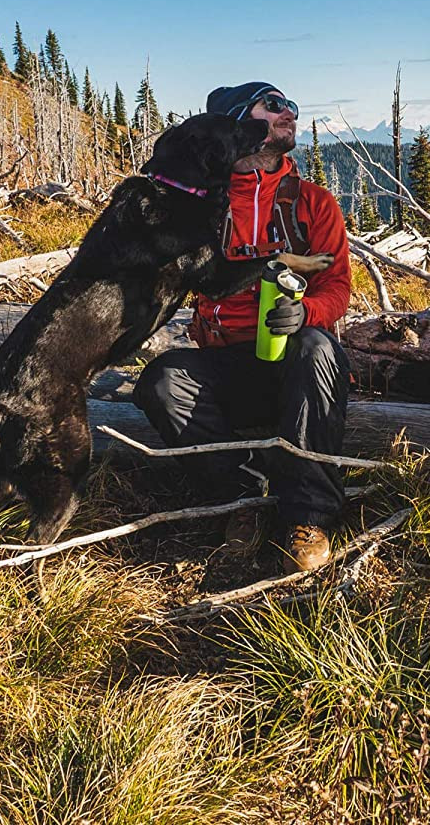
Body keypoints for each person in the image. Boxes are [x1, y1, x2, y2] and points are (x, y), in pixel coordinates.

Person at [133, 82, 352, 574]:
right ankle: (241, 499)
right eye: (273, 105)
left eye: (292, 106)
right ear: (239, 121)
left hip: (298, 363)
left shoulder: (313, 203)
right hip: (227, 363)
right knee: (161, 382)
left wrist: (308, 314)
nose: (288, 113)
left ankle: (309, 516)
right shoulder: (203, 204)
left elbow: (337, 287)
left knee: (316, 348)